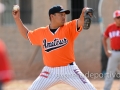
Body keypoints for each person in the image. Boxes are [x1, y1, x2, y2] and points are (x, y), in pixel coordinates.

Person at [12, 5, 96, 90]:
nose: (64, 17)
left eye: (64, 14)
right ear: (52, 16)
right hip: (49, 71)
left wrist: (83, 14)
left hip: (69, 70)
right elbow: (27, 35)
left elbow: (80, 21)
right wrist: (17, 19)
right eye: (61, 14)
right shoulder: (42, 32)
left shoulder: (69, 27)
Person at [103, 10, 120, 90]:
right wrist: (106, 50)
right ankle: (106, 88)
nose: (119, 19)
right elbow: (104, 39)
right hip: (113, 52)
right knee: (110, 72)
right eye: (118, 17)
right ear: (114, 19)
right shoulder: (110, 27)